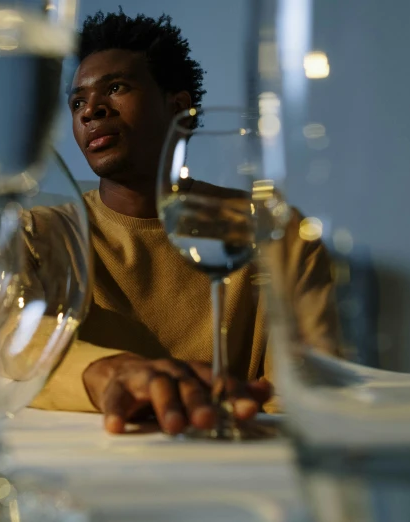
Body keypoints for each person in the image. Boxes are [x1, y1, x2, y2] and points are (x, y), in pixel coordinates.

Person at [27, 10, 340, 435]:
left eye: (115, 88)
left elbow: (305, 391)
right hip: (97, 457)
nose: (91, 111)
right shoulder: (38, 236)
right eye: (77, 102)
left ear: (178, 108)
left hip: (235, 461)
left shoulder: (273, 232)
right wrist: (107, 374)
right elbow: (8, 346)